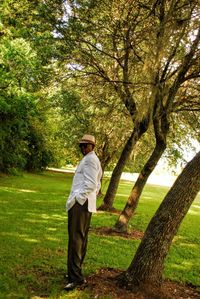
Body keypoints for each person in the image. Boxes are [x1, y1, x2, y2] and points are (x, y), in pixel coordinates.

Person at [64, 134, 102, 291]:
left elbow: (92, 184)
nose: (82, 148)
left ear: (92, 146)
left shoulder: (91, 160)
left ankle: (76, 278)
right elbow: (98, 183)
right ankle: (73, 272)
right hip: (83, 203)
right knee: (79, 238)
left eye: (85, 145)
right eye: (81, 145)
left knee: (76, 240)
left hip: (81, 204)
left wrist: (78, 198)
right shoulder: (90, 159)